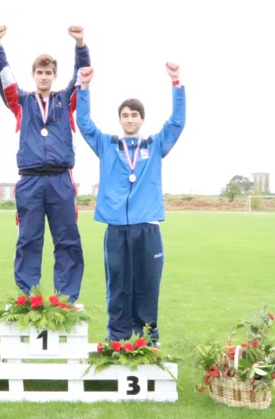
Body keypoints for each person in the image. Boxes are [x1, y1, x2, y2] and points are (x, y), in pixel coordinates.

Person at [75, 64, 186, 344]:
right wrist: (84, 89)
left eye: (134, 115)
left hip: (147, 227)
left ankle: (148, 337)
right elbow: (84, 124)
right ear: (120, 120)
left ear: (142, 119)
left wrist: (176, 83)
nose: (129, 119)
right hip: (116, 228)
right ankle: (117, 335)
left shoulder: (155, 145)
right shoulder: (106, 144)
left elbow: (176, 123)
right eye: (124, 115)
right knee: (118, 285)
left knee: (148, 285)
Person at [0, 25, 89, 302]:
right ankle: (28, 296)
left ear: (54, 76)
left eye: (48, 73)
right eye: (39, 72)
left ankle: (66, 298)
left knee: (68, 240)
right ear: (33, 75)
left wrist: (80, 45)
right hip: (30, 180)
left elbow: (82, 76)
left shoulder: (66, 99)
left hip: (61, 180)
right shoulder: (21, 102)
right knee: (28, 240)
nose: (44, 77)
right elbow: (5, 77)